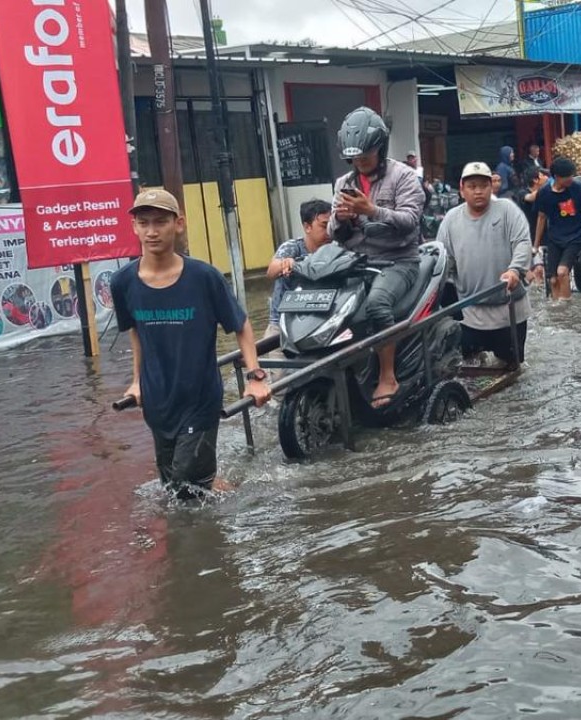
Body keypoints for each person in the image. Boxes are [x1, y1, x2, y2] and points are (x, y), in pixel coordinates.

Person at [111, 188, 272, 500]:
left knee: (186, 489)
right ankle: (226, 490)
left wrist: (255, 377)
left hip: (199, 399)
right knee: (173, 487)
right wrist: (136, 382)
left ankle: (221, 530)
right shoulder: (123, 282)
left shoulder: (203, 277)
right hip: (158, 401)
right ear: (134, 227)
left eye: (160, 222)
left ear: (179, 224)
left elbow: (241, 325)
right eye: (144, 223)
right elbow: (136, 333)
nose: (152, 231)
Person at [329, 106, 426, 407]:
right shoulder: (343, 183)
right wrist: (342, 218)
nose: (360, 163)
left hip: (399, 260)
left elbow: (410, 221)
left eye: (366, 157)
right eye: (355, 159)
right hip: (357, 261)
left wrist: (372, 211)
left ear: (380, 149)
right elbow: (334, 231)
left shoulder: (405, 177)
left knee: (377, 304)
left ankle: (388, 375)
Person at [437, 162, 532, 367]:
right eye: (472, 186)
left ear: (492, 187)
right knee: (469, 367)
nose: (478, 191)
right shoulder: (451, 220)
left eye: (484, 185)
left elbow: (522, 243)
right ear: (462, 190)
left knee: (509, 367)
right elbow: (444, 258)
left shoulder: (507, 210)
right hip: (470, 311)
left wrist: (515, 270)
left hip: (508, 308)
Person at [533, 156, 581, 300]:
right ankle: (557, 312)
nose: (571, 179)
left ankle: (566, 309)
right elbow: (541, 218)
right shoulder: (544, 193)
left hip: (574, 237)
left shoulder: (577, 189)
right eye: (567, 177)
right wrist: (535, 246)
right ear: (556, 177)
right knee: (553, 280)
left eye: (572, 176)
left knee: (562, 272)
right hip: (554, 238)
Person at [266, 198, 332, 341]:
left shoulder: (334, 249)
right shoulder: (292, 247)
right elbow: (271, 271)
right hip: (282, 323)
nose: (329, 231)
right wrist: (288, 263)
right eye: (324, 225)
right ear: (307, 227)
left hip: (319, 322)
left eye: (332, 226)